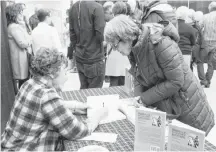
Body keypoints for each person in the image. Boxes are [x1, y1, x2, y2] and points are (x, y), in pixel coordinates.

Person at [104, 15, 214, 135]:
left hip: (188, 108)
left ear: (125, 36)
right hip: (171, 106)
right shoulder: (135, 47)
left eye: (115, 45)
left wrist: (143, 99)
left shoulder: (161, 43)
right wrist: (138, 99)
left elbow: (176, 81)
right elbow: (138, 75)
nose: (115, 50)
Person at [1, 47, 108, 151]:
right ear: (52, 73)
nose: (66, 77)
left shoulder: (29, 84)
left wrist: (75, 107)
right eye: (64, 72)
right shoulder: (47, 96)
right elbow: (77, 131)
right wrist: (97, 117)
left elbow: (43, 107)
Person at [68, 0, 106, 89]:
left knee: (84, 88)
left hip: (80, 56)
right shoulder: (97, 7)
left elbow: (72, 34)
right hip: (94, 58)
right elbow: (99, 34)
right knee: (94, 93)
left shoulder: (73, 8)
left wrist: (77, 48)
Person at [6, 4, 32, 89]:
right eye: (20, 13)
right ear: (14, 14)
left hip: (21, 57)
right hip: (20, 58)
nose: (22, 15)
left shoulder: (15, 26)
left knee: (24, 80)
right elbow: (22, 43)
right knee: (23, 81)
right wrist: (30, 41)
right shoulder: (14, 27)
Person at [105, 1, 131, 86]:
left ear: (114, 12)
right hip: (128, 56)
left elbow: (107, 39)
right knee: (126, 86)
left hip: (114, 56)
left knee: (114, 86)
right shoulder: (131, 22)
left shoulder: (110, 24)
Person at [196, 2, 216, 88]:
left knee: (199, 61)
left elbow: (199, 27)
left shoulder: (205, 17)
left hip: (205, 43)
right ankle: (208, 80)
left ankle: (203, 80)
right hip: (215, 43)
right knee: (211, 63)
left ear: (210, 8)